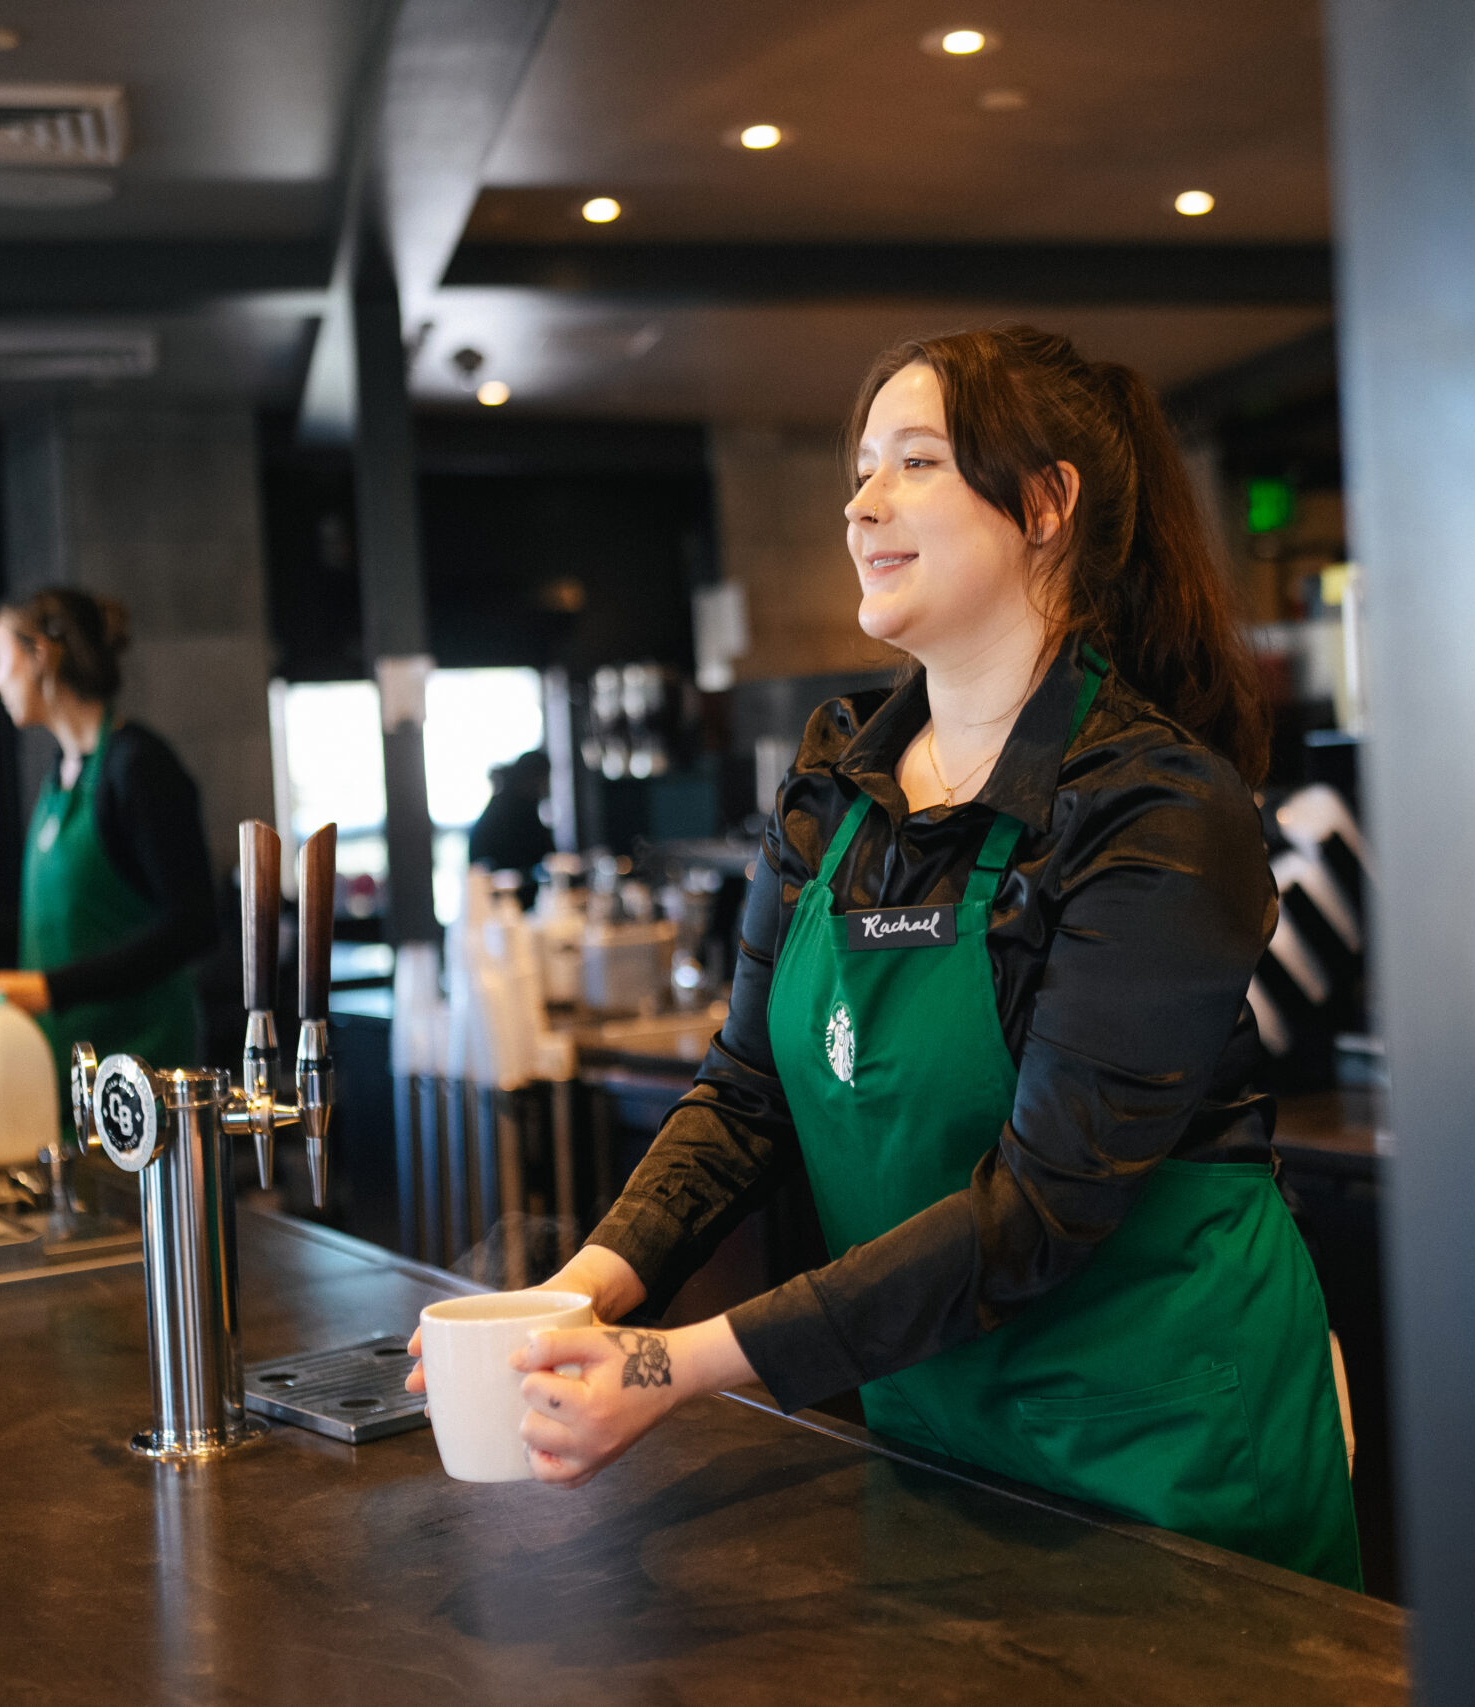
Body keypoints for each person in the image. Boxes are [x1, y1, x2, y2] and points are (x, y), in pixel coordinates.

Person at [412, 326, 1362, 1587]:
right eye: (862, 470)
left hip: (1164, 1441)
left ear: (1045, 504)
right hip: (938, 1431)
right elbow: (744, 1094)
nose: (862, 505)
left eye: (914, 462)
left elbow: (1041, 1207)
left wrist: (679, 1363)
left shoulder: (1155, 807)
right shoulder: (838, 782)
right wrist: (579, 1298)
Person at [0, 587, 216, 1091]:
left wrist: (46, 989)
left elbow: (194, 926)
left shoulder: (138, 767)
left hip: (143, 1075)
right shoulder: (61, 776)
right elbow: (77, 932)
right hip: (77, 1070)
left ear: (39, 656)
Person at [469, 749, 555, 891]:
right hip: (502, 893)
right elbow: (537, 853)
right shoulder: (510, 808)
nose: (547, 786)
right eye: (544, 779)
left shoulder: (514, 802)